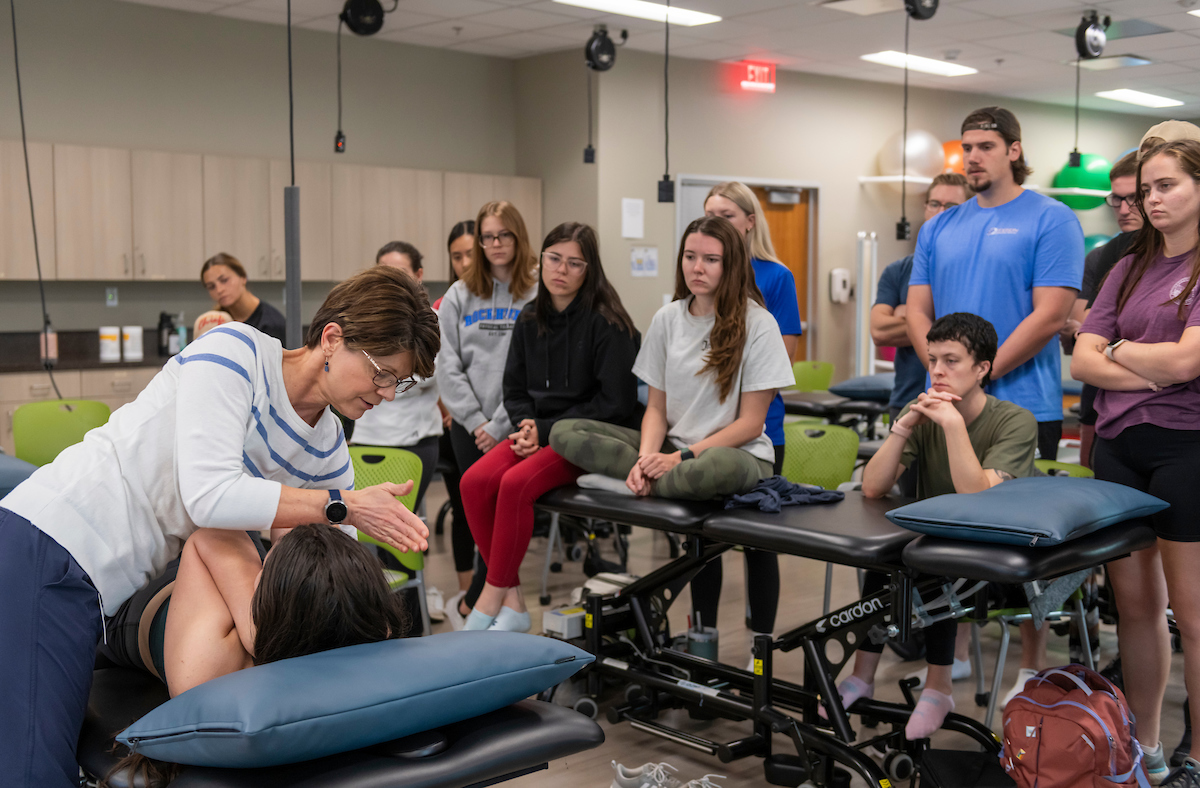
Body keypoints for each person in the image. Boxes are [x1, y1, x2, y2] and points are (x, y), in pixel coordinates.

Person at [0, 265, 438, 788]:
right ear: (332, 338)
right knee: (35, 772)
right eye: (382, 373)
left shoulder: (326, 453)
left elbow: (329, 580)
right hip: (54, 541)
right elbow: (209, 498)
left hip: (109, 585)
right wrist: (343, 505)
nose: (388, 394)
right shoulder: (235, 354)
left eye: (402, 382)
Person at [1072, 138, 1200, 785]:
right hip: (1121, 448)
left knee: (1195, 615)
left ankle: (1199, 757)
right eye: (1146, 188)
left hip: (1189, 445)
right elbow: (1081, 359)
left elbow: (1188, 362)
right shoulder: (1125, 267)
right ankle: (1144, 747)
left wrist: (1120, 353)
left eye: (1166, 185)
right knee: (1136, 610)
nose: (1151, 199)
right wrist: (1142, 361)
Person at [103, 523, 407, 787]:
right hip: (279, 601)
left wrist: (255, 633)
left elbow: (211, 535)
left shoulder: (214, 670)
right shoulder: (372, 631)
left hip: (143, 605)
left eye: (263, 570)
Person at [852, 312, 1036, 741]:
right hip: (940, 546)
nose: (936, 371)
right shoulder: (929, 415)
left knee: (930, 556)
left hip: (1002, 562)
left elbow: (977, 500)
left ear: (982, 368)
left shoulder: (1014, 421)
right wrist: (904, 426)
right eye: (933, 359)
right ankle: (861, 676)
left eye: (951, 361)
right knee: (889, 556)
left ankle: (940, 688)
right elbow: (873, 487)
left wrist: (953, 426)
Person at [459, 222, 641, 632]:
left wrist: (545, 429)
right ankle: (515, 602)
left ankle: (489, 598)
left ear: (589, 269)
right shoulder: (529, 317)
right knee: (473, 483)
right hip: (537, 432)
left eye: (574, 263)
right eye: (554, 258)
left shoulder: (609, 324)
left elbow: (616, 404)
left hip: (590, 438)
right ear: (541, 260)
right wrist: (528, 426)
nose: (561, 269)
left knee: (514, 485)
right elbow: (514, 387)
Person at [550, 215, 793, 502]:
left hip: (735, 455)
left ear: (732, 266)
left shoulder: (759, 324)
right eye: (690, 257)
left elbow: (751, 424)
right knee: (564, 431)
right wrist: (646, 459)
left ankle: (638, 486)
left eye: (711, 259)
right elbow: (655, 409)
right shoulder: (667, 318)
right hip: (671, 447)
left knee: (718, 467)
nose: (697, 268)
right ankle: (642, 476)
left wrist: (682, 457)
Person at [907, 107, 1084, 464]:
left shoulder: (1053, 218)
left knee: (1012, 518)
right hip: (944, 403)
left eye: (986, 146)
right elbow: (916, 311)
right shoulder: (936, 228)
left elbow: (1050, 316)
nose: (973, 157)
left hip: (1023, 404)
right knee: (930, 514)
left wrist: (979, 375)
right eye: (968, 148)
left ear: (1013, 151)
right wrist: (945, 373)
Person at [695, 181, 801, 650]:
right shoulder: (699, 274)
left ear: (750, 221)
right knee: (701, 542)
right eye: (710, 214)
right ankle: (704, 638)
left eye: (727, 214)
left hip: (760, 431)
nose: (718, 222)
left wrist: (738, 408)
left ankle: (762, 646)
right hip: (701, 429)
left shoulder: (774, 277)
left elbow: (783, 356)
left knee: (759, 542)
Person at [437, 203, 539, 627]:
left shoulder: (536, 293)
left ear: (518, 238)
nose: (496, 244)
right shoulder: (461, 294)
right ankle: (501, 601)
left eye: (504, 235)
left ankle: (485, 599)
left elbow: (533, 364)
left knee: (505, 509)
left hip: (515, 420)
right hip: (468, 425)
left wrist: (499, 423)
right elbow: (446, 364)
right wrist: (477, 421)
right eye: (488, 236)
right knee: (478, 507)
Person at [1060, 152, 1142, 468]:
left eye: (1133, 198)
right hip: (1099, 405)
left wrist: (1105, 342)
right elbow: (1080, 337)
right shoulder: (1102, 257)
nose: (1123, 209)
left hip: (1166, 415)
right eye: (1116, 199)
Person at [352, 241, 443, 514]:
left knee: (398, 526)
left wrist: (375, 373)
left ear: (419, 275)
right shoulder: (363, 320)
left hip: (412, 442)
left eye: (400, 272)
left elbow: (426, 375)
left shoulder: (432, 321)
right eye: (384, 273)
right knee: (364, 529)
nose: (392, 281)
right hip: (366, 437)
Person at [434, 220, 477, 623]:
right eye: (456, 256)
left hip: (499, 421)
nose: (464, 262)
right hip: (455, 426)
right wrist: (453, 409)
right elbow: (443, 370)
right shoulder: (446, 304)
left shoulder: (506, 300)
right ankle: (467, 598)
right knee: (465, 509)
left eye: (470, 253)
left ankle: (489, 596)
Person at [200, 253, 287, 344]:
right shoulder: (214, 322)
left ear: (243, 277)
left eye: (224, 280)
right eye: (211, 287)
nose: (219, 290)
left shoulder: (271, 324)